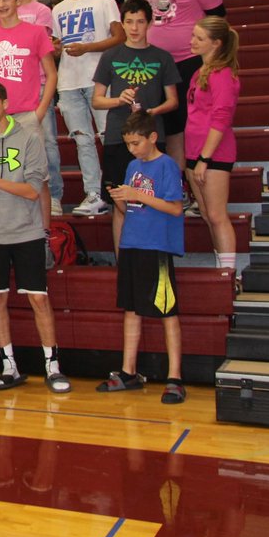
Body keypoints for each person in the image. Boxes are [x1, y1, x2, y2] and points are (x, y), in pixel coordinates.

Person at [0, 81, 70, 394]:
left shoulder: (29, 138)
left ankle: (53, 366)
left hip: (27, 231)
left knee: (39, 298)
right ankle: (9, 365)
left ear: (5, 104)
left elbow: (33, 190)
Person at [100, 112, 186, 404]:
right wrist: (120, 200)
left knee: (167, 311)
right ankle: (128, 371)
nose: (132, 149)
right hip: (132, 243)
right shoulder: (133, 166)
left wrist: (136, 193)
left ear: (152, 137)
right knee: (131, 309)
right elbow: (133, 210)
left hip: (156, 246)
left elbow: (175, 208)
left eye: (136, 143)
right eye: (127, 144)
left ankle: (175, 377)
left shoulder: (167, 166)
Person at [92, 0, 180, 251]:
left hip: (152, 138)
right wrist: (119, 99)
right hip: (118, 137)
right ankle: (124, 263)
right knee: (120, 203)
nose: (134, 28)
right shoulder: (110, 56)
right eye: (129, 22)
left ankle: (153, 255)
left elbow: (173, 100)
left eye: (140, 21)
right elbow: (97, 101)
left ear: (149, 23)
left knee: (153, 201)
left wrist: (153, 111)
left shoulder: (162, 57)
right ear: (122, 22)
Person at [138, 0, 227, 168]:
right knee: (172, 128)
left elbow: (217, 16)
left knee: (193, 123)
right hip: (158, 63)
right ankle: (180, 188)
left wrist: (210, 55)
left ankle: (202, 178)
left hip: (190, 61)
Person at [0, 0, 58, 237]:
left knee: (38, 179)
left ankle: (44, 236)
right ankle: (5, 232)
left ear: (17, 0)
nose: (1, 4)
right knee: (0, 178)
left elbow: (51, 74)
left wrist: (40, 111)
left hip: (27, 115)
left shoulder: (35, 32)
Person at [53, 0, 124, 216]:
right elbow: (60, 47)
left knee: (108, 137)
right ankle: (93, 193)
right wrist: (57, 49)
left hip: (99, 78)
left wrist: (88, 48)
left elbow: (119, 36)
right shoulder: (58, 8)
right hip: (69, 81)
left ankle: (116, 189)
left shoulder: (103, 0)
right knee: (82, 141)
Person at [184, 17, 241, 270]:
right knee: (207, 215)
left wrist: (205, 158)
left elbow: (221, 118)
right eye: (193, 35)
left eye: (199, 38)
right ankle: (222, 267)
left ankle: (229, 274)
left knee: (217, 215)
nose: (192, 41)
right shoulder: (200, 73)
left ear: (216, 44)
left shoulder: (223, 74)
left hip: (213, 155)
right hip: (195, 152)